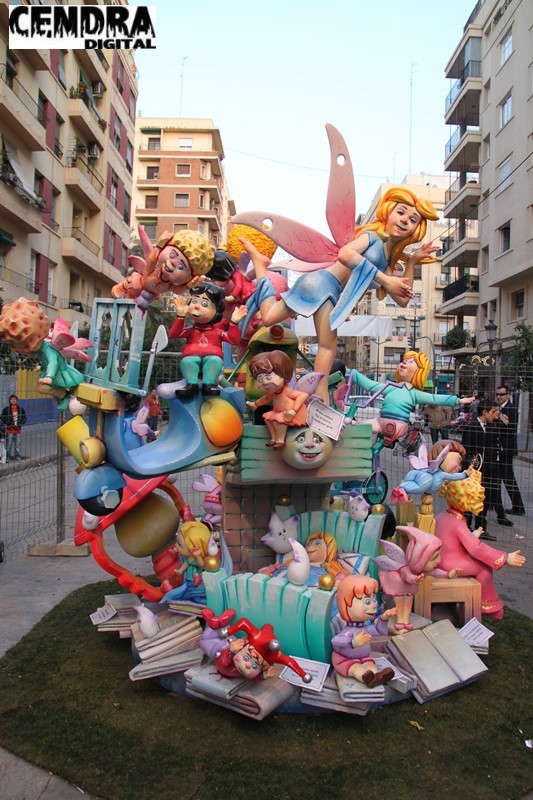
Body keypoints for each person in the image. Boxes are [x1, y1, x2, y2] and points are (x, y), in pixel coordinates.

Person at [239, 187, 439, 402]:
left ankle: (260, 266)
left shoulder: (387, 259)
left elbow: (403, 299)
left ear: (416, 229)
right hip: (324, 284)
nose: (405, 220)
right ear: (388, 211)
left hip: (321, 286)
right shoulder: (371, 237)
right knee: (327, 347)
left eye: (413, 219)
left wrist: (412, 262)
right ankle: (321, 396)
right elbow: (345, 254)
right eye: (400, 212)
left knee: (268, 316)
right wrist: (385, 280)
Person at [436, 472, 525, 619]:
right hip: (449, 563)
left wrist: (471, 535)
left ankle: (480, 603)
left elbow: (453, 540)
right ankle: (488, 606)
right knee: (484, 568)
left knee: (479, 564)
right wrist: (505, 557)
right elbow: (476, 548)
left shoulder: (443, 515)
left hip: (441, 558)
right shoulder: (457, 522)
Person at [348, 351, 475, 447]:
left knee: (396, 427)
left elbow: (434, 398)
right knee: (360, 425)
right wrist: (351, 373)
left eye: (410, 362)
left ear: (420, 371)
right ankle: (353, 426)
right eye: (404, 360)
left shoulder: (414, 393)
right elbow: (371, 385)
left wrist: (457, 400)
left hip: (399, 423)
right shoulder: (391, 387)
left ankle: (391, 432)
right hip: (381, 420)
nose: (404, 363)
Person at [168, 282, 247, 397]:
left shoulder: (217, 332)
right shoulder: (191, 331)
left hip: (212, 359)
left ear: (216, 311)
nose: (196, 306)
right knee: (187, 361)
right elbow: (173, 334)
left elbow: (233, 340)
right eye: (195, 301)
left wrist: (234, 323)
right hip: (191, 357)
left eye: (204, 304)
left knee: (215, 360)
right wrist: (180, 316)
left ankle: (208, 384)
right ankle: (191, 384)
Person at [461, 402, 512, 537]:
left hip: (490, 470)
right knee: (470, 499)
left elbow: (507, 430)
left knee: (484, 500)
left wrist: (502, 419)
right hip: (475, 470)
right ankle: (466, 527)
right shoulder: (471, 427)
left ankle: (481, 528)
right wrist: (470, 468)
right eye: (493, 412)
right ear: (485, 412)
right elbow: (467, 450)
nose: (495, 415)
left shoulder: (492, 426)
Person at [246, 350, 309, 449]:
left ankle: (280, 440)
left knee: (278, 420)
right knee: (267, 417)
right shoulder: (274, 392)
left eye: (268, 378)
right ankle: (274, 438)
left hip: (292, 414)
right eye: (260, 380)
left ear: (283, 375)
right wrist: (255, 404)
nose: (264, 383)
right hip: (279, 412)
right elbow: (266, 398)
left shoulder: (287, 391)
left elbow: (303, 395)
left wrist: (294, 410)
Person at [495, 384, 525, 516]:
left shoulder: (511, 408)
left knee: (508, 478)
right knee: (496, 477)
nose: (499, 397)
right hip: (499, 447)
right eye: (497, 394)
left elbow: (511, 427)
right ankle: (494, 503)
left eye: (501, 394)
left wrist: (500, 418)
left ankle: (518, 506)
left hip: (506, 447)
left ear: (508, 395)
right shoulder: (499, 408)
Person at [1, 395, 27, 461]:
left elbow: (24, 417)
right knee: (8, 444)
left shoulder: (20, 409)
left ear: (17, 400)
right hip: (9, 430)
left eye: (15, 399)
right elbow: (2, 417)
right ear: (9, 401)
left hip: (18, 430)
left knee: (17, 444)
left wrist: (21, 423)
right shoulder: (6, 409)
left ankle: (17, 456)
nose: (13, 400)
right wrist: (7, 422)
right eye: (11, 399)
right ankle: (7, 457)